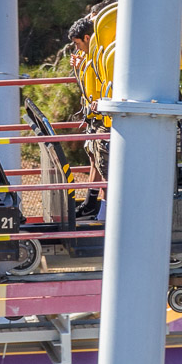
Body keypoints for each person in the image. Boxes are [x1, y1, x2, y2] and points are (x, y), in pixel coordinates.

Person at [66, 14, 107, 219]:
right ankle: (91, 204)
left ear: (88, 38)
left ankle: (100, 209)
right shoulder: (90, 56)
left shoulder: (102, 56)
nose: (77, 49)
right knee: (94, 159)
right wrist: (78, 66)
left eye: (78, 44)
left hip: (103, 118)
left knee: (103, 163)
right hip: (94, 116)